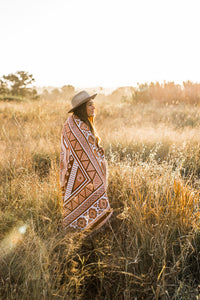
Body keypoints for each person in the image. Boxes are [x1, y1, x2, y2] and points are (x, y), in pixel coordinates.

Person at [60, 90, 112, 234]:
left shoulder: (71, 123)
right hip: (81, 174)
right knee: (94, 191)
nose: (94, 107)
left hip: (73, 175)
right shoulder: (81, 127)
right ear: (82, 108)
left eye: (93, 104)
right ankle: (94, 230)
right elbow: (90, 154)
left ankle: (80, 230)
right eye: (90, 105)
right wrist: (100, 155)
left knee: (80, 201)